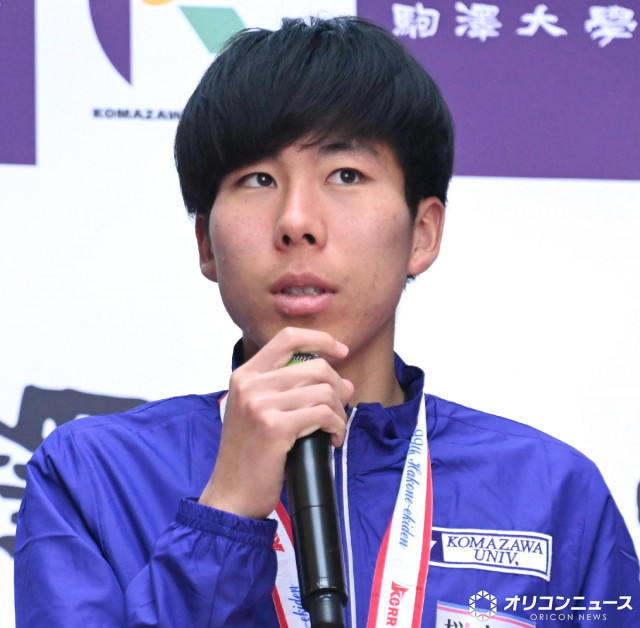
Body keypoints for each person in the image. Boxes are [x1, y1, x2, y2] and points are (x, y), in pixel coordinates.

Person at [15, 15, 640, 628]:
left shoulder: (553, 495)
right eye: (258, 178)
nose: (296, 221)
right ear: (206, 243)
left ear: (422, 233)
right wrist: (225, 514)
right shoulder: (92, 477)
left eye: (345, 175)